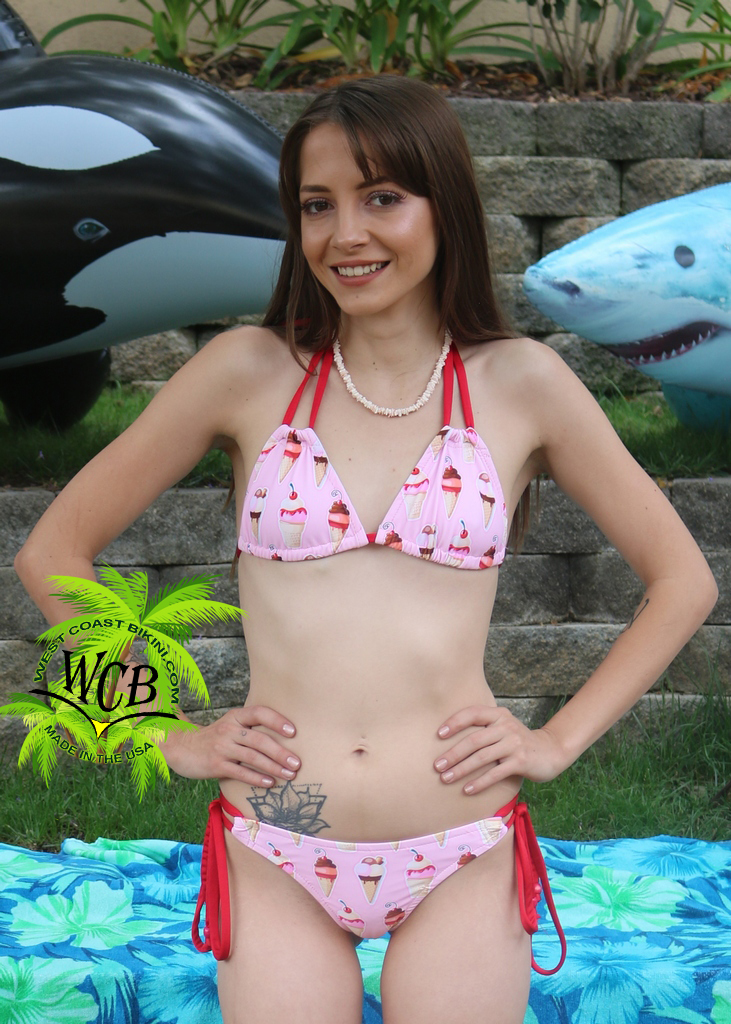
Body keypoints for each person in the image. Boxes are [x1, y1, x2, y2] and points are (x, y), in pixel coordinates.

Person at [14, 73, 717, 1024]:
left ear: (443, 205)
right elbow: (52, 554)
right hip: (275, 843)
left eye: (381, 197)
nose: (346, 234)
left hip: (460, 845)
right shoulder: (246, 370)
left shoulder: (523, 384)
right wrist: (162, 734)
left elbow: (682, 583)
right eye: (317, 205)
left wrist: (555, 741)